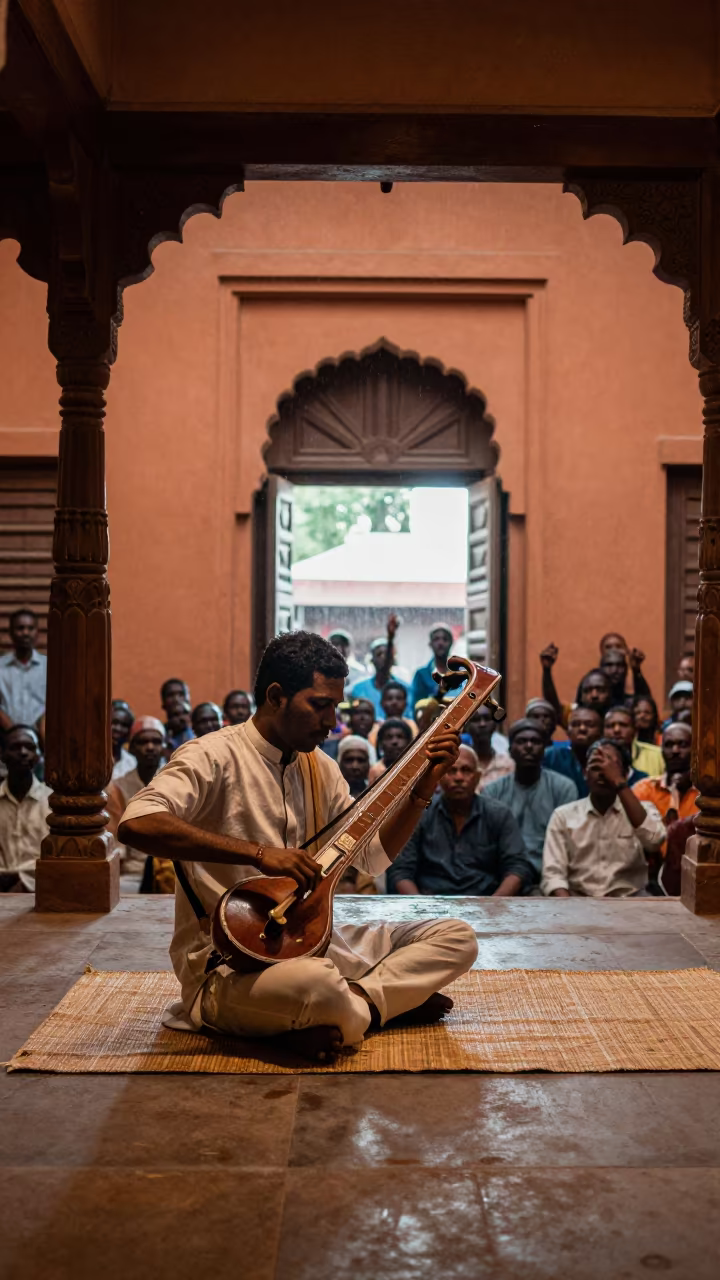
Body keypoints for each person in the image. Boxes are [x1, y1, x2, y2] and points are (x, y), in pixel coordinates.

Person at [119, 630, 477, 1065]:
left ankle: (360, 1005)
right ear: (275, 696)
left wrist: (424, 785)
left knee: (457, 937)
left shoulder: (320, 766)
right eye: (320, 705)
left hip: (317, 942)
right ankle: (381, 1003)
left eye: (336, 707)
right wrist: (257, 853)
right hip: (230, 967)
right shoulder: (210, 757)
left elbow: (370, 857)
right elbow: (136, 822)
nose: (332, 721)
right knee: (317, 984)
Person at [388, 744, 532, 897]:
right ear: (439, 777)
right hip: (430, 903)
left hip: (485, 902)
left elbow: (517, 867)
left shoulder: (499, 814)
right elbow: (401, 871)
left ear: (477, 777)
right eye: (451, 770)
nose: (458, 778)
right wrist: (422, 908)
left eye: (466, 770)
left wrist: (493, 906)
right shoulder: (420, 815)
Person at [541, 739, 665, 898]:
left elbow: (654, 841)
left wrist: (618, 782)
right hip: (578, 901)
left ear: (626, 774)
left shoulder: (643, 809)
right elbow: (553, 875)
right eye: (596, 765)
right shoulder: (563, 816)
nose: (603, 772)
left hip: (630, 901)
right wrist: (568, 910)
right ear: (585, 773)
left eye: (610, 766)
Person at [484, 719, 578, 889]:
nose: (528, 746)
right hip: (503, 878)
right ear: (510, 750)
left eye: (535, 742)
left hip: (550, 878)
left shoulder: (564, 787)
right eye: (521, 742)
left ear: (545, 749)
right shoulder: (493, 791)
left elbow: (568, 843)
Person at [106, 717, 172, 891]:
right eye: (143, 742)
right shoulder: (117, 787)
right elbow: (114, 839)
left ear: (163, 747)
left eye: (156, 741)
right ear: (132, 748)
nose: (150, 747)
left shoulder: (176, 783)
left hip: (170, 869)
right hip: (132, 872)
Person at [0, 725, 51, 892]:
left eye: (30, 747)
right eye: (15, 747)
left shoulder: (53, 802)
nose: (23, 752)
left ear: (39, 756)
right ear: (2, 755)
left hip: (40, 890)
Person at [632, 722, 699, 833]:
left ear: (696, 749)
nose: (675, 750)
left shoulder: (708, 791)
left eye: (682, 745)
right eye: (668, 745)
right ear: (661, 750)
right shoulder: (645, 789)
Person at [349, 614, 409, 719]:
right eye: (379, 654)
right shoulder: (358, 689)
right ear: (372, 660)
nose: (383, 658)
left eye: (387, 654)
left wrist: (391, 638)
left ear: (392, 659)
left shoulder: (405, 688)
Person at [0, 609, 47, 734]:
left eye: (30, 628)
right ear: (11, 633)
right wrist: (13, 732)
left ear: (37, 633)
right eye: (20, 628)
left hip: (43, 741)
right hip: (6, 740)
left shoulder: (49, 667)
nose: (25, 633)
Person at [543, 706, 602, 798]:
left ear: (600, 732)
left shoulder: (609, 759)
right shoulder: (551, 757)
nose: (582, 728)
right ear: (567, 731)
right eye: (575, 724)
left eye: (589, 725)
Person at [604, 705, 664, 779]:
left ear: (635, 729)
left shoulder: (657, 755)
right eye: (610, 726)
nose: (616, 730)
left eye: (623, 725)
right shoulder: (596, 757)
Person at [465, 703, 514, 790]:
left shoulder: (508, 765)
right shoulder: (460, 764)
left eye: (487, 719)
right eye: (476, 720)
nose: (482, 724)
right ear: (467, 726)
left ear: (495, 725)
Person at [410, 623, 455, 709]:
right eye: (436, 639)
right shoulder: (421, 675)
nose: (440, 643)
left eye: (445, 639)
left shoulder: (461, 673)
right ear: (430, 644)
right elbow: (416, 708)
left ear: (451, 643)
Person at [369, 680, 418, 747]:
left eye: (399, 698)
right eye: (389, 698)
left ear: (406, 703)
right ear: (382, 703)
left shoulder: (412, 725)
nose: (394, 702)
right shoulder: (376, 729)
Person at [368, 718, 414, 783]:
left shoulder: (416, 767)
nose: (394, 742)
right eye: (389, 737)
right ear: (381, 743)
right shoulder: (375, 771)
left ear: (409, 741)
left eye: (400, 737)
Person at [336, 734, 376, 798]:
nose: (355, 766)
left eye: (361, 760)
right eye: (349, 760)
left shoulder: (376, 796)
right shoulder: (331, 797)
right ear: (339, 764)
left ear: (368, 765)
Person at [111, 699, 136, 780]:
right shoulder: (89, 758)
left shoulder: (131, 762)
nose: (118, 729)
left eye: (124, 725)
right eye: (114, 723)